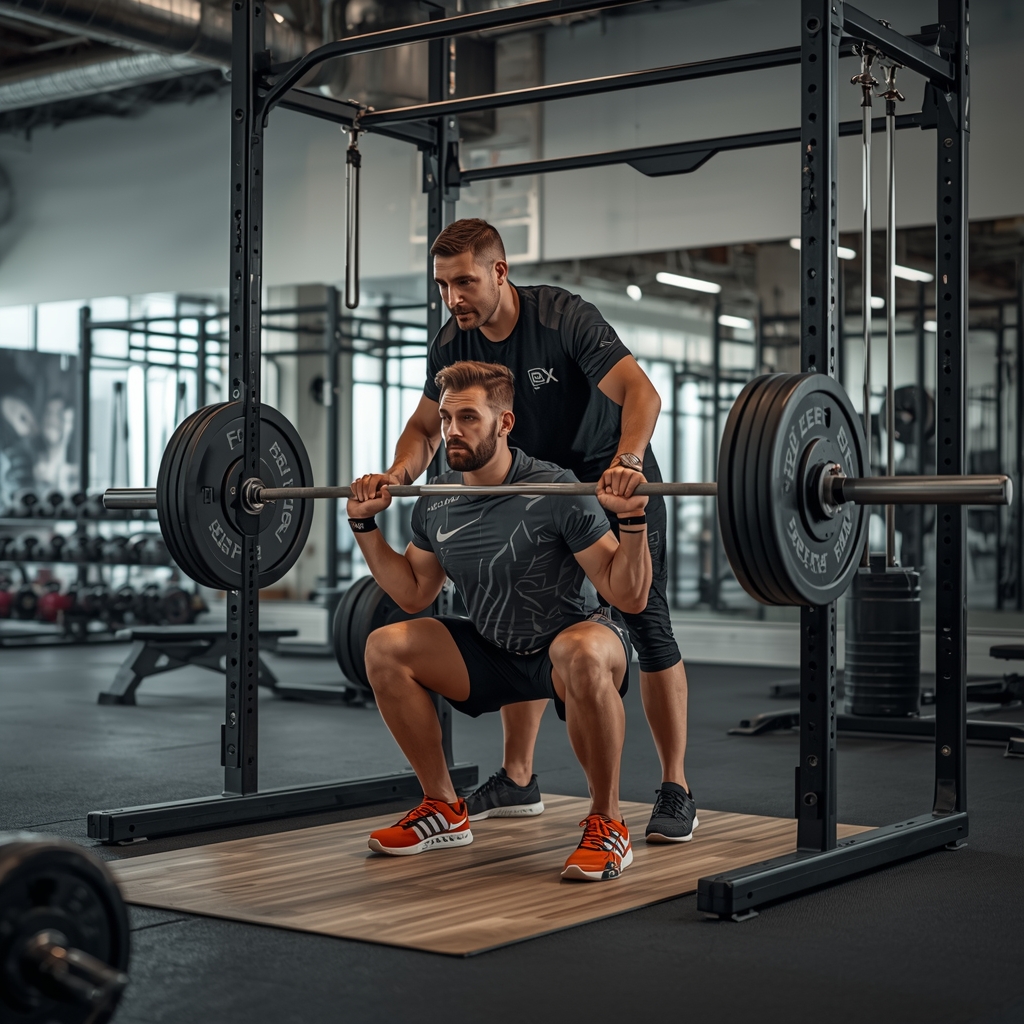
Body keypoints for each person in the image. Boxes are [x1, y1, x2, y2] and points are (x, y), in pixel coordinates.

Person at [351, 218, 696, 843]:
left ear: (499, 273)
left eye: (464, 282)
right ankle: (518, 777)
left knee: (645, 618)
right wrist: (399, 474)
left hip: (602, 476)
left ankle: (675, 786)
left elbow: (641, 394)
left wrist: (628, 465)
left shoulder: (563, 318)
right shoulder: (452, 341)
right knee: (517, 607)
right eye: (442, 285)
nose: (452, 298)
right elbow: (427, 427)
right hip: (525, 482)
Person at [348, 361, 650, 882]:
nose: (452, 432)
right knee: (385, 647)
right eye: (445, 419)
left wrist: (632, 520)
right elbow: (415, 592)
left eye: (468, 418)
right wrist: (364, 525)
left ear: (504, 423)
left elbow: (627, 594)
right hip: (496, 648)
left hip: (573, 642)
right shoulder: (438, 499)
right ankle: (444, 806)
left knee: (578, 652)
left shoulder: (556, 490)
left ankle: (608, 821)